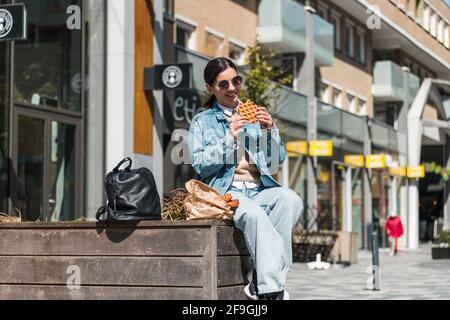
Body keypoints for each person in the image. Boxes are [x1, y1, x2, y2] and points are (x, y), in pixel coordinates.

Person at [188, 57, 303, 300]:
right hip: (228, 192)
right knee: (254, 215)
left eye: (236, 81)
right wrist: (229, 138)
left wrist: (271, 130)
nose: (232, 88)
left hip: (260, 189)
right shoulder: (202, 121)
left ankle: (261, 280)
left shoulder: (254, 114)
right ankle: (269, 289)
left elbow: (276, 161)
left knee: (290, 199)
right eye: (223, 84)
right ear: (210, 88)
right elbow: (200, 166)